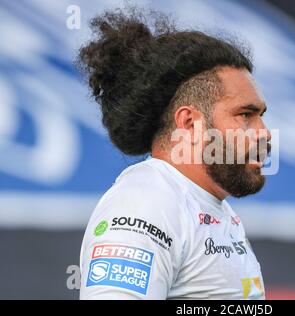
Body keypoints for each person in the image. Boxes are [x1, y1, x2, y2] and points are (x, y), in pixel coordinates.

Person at [78, 7, 271, 299]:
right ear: (190, 124)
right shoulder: (145, 204)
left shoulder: (210, 207)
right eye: (246, 115)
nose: (265, 133)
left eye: (261, 116)